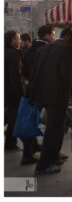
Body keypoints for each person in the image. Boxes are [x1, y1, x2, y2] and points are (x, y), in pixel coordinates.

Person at [29, 28, 72, 175]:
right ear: (69, 36)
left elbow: (35, 71)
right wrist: (70, 93)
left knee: (56, 128)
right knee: (53, 130)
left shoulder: (44, 48)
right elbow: (66, 75)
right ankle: (43, 165)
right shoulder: (66, 49)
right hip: (57, 97)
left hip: (43, 95)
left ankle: (53, 156)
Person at [6, 29, 38, 165]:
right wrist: (21, 95)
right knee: (23, 126)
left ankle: (28, 151)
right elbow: (15, 77)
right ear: (11, 41)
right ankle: (29, 152)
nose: (19, 41)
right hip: (13, 97)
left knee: (15, 123)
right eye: (18, 38)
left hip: (7, 96)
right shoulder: (14, 54)